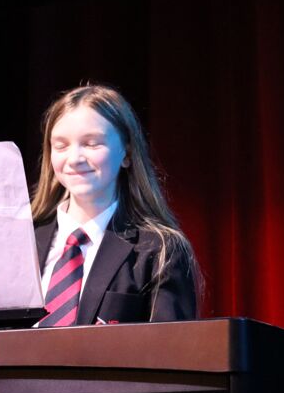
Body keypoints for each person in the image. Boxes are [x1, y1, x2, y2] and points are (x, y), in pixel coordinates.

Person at [31, 84, 200, 327]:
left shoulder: (159, 250)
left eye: (92, 143)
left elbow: (171, 345)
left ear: (127, 154)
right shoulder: (21, 242)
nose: (74, 159)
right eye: (61, 146)